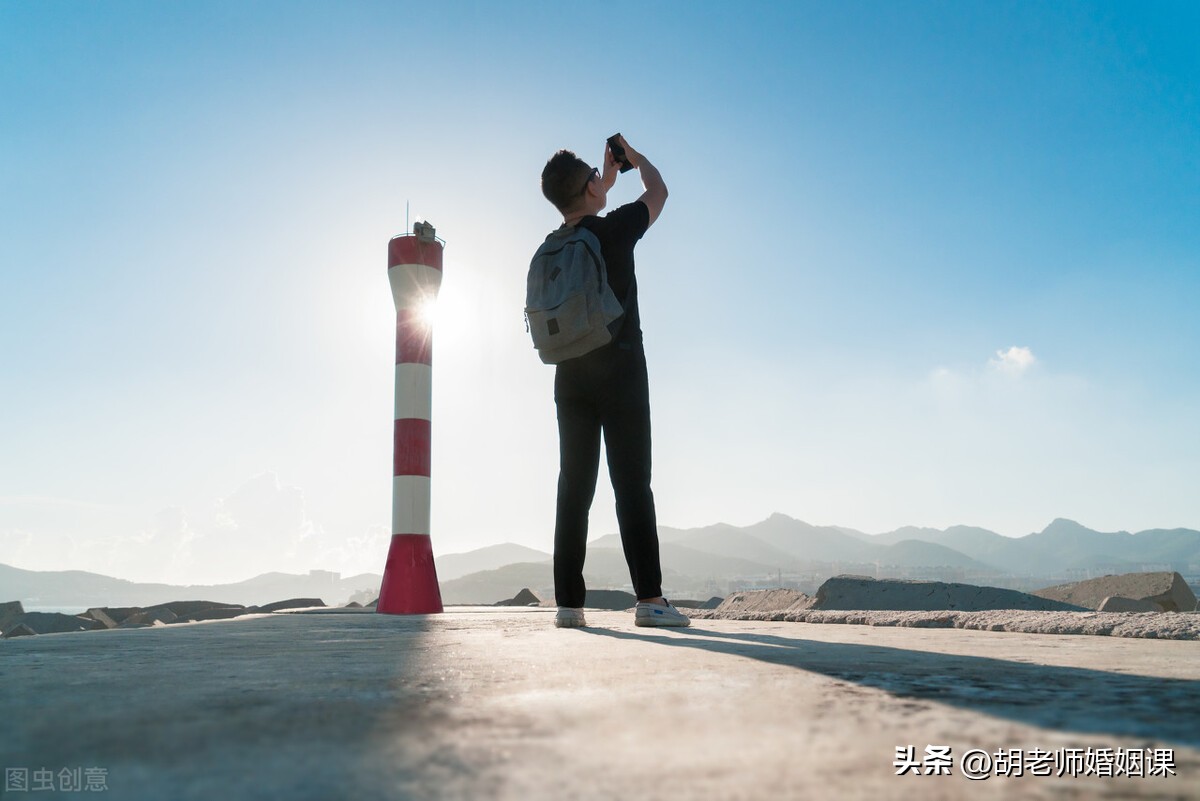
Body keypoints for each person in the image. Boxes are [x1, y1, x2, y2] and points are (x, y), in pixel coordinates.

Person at [537, 135, 689, 629]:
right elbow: (659, 192)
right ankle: (649, 599)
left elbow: (582, 202)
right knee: (631, 484)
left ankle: (567, 605)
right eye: (593, 180)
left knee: (573, 488)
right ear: (587, 190)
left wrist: (598, 179)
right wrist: (635, 160)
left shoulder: (554, 245)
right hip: (620, 370)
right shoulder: (615, 229)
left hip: (569, 377)